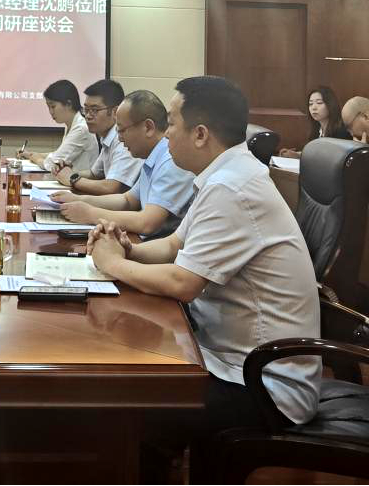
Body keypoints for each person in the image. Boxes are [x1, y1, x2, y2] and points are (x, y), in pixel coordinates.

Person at [87, 76, 320, 474]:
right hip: (224, 357)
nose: (166, 135)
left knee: (126, 407)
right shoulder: (223, 175)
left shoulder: (233, 187)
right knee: (128, 385)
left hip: (262, 384)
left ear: (200, 134)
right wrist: (128, 249)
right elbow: (173, 245)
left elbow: (183, 283)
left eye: (172, 123)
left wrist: (112, 264)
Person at [50, 90, 194, 238]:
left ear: (148, 127)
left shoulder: (171, 161)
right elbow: (127, 200)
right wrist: (79, 200)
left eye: (122, 130)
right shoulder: (154, 156)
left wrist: (90, 214)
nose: (119, 138)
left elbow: (147, 223)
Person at [54, 79, 142, 195]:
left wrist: (72, 179)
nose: (88, 116)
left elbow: (112, 188)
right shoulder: (107, 137)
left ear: (115, 112)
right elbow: (94, 174)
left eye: (94, 110)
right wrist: (68, 172)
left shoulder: (122, 139)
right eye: (86, 110)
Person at [24, 79, 96, 174]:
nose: (50, 112)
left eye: (53, 106)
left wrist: (36, 158)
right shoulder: (71, 123)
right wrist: (33, 154)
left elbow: (53, 164)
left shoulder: (81, 128)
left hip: (81, 181)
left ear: (68, 104)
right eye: (48, 107)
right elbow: (59, 154)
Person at [279, 86, 350, 157]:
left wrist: (299, 156)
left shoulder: (341, 131)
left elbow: (330, 157)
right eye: (310, 104)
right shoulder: (316, 130)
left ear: (330, 105)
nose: (313, 108)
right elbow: (315, 153)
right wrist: (296, 154)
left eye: (319, 103)